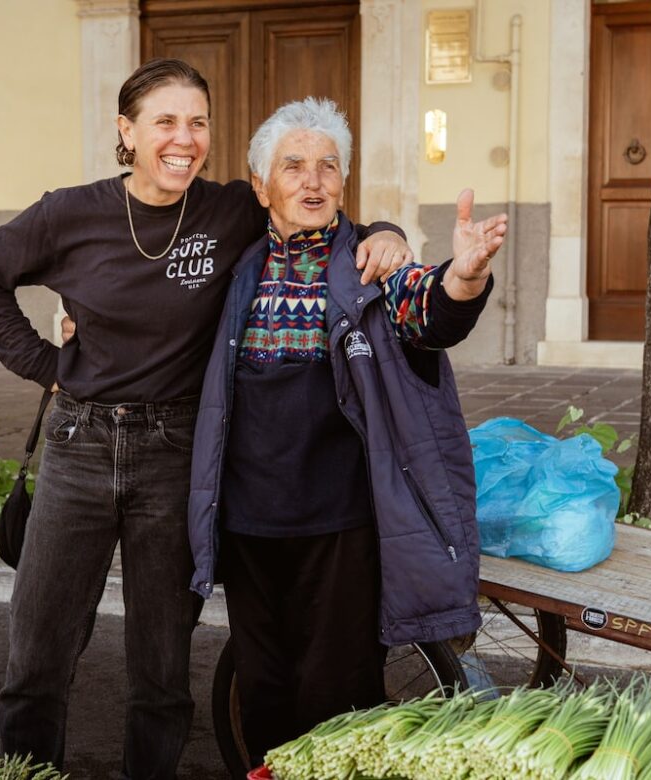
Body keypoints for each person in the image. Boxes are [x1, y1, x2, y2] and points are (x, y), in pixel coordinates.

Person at [0, 59, 413, 778]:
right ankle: (27, 771)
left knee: (162, 664)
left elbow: (306, 201)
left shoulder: (228, 209)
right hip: (78, 443)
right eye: (165, 121)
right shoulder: (69, 213)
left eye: (198, 122)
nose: (184, 138)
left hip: (175, 450)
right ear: (126, 131)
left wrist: (385, 231)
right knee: (39, 650)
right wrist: (46, 363)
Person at [186, 97, 508, 764]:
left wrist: (465, 277)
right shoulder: (239, 271)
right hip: (250, 522)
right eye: (294, 166)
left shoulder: (368, 263)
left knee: (340, 694)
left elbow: (428, 313)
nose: (313, 181)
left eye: (328, 167)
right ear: (260, 186)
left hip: (341, 521)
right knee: (267, 689)